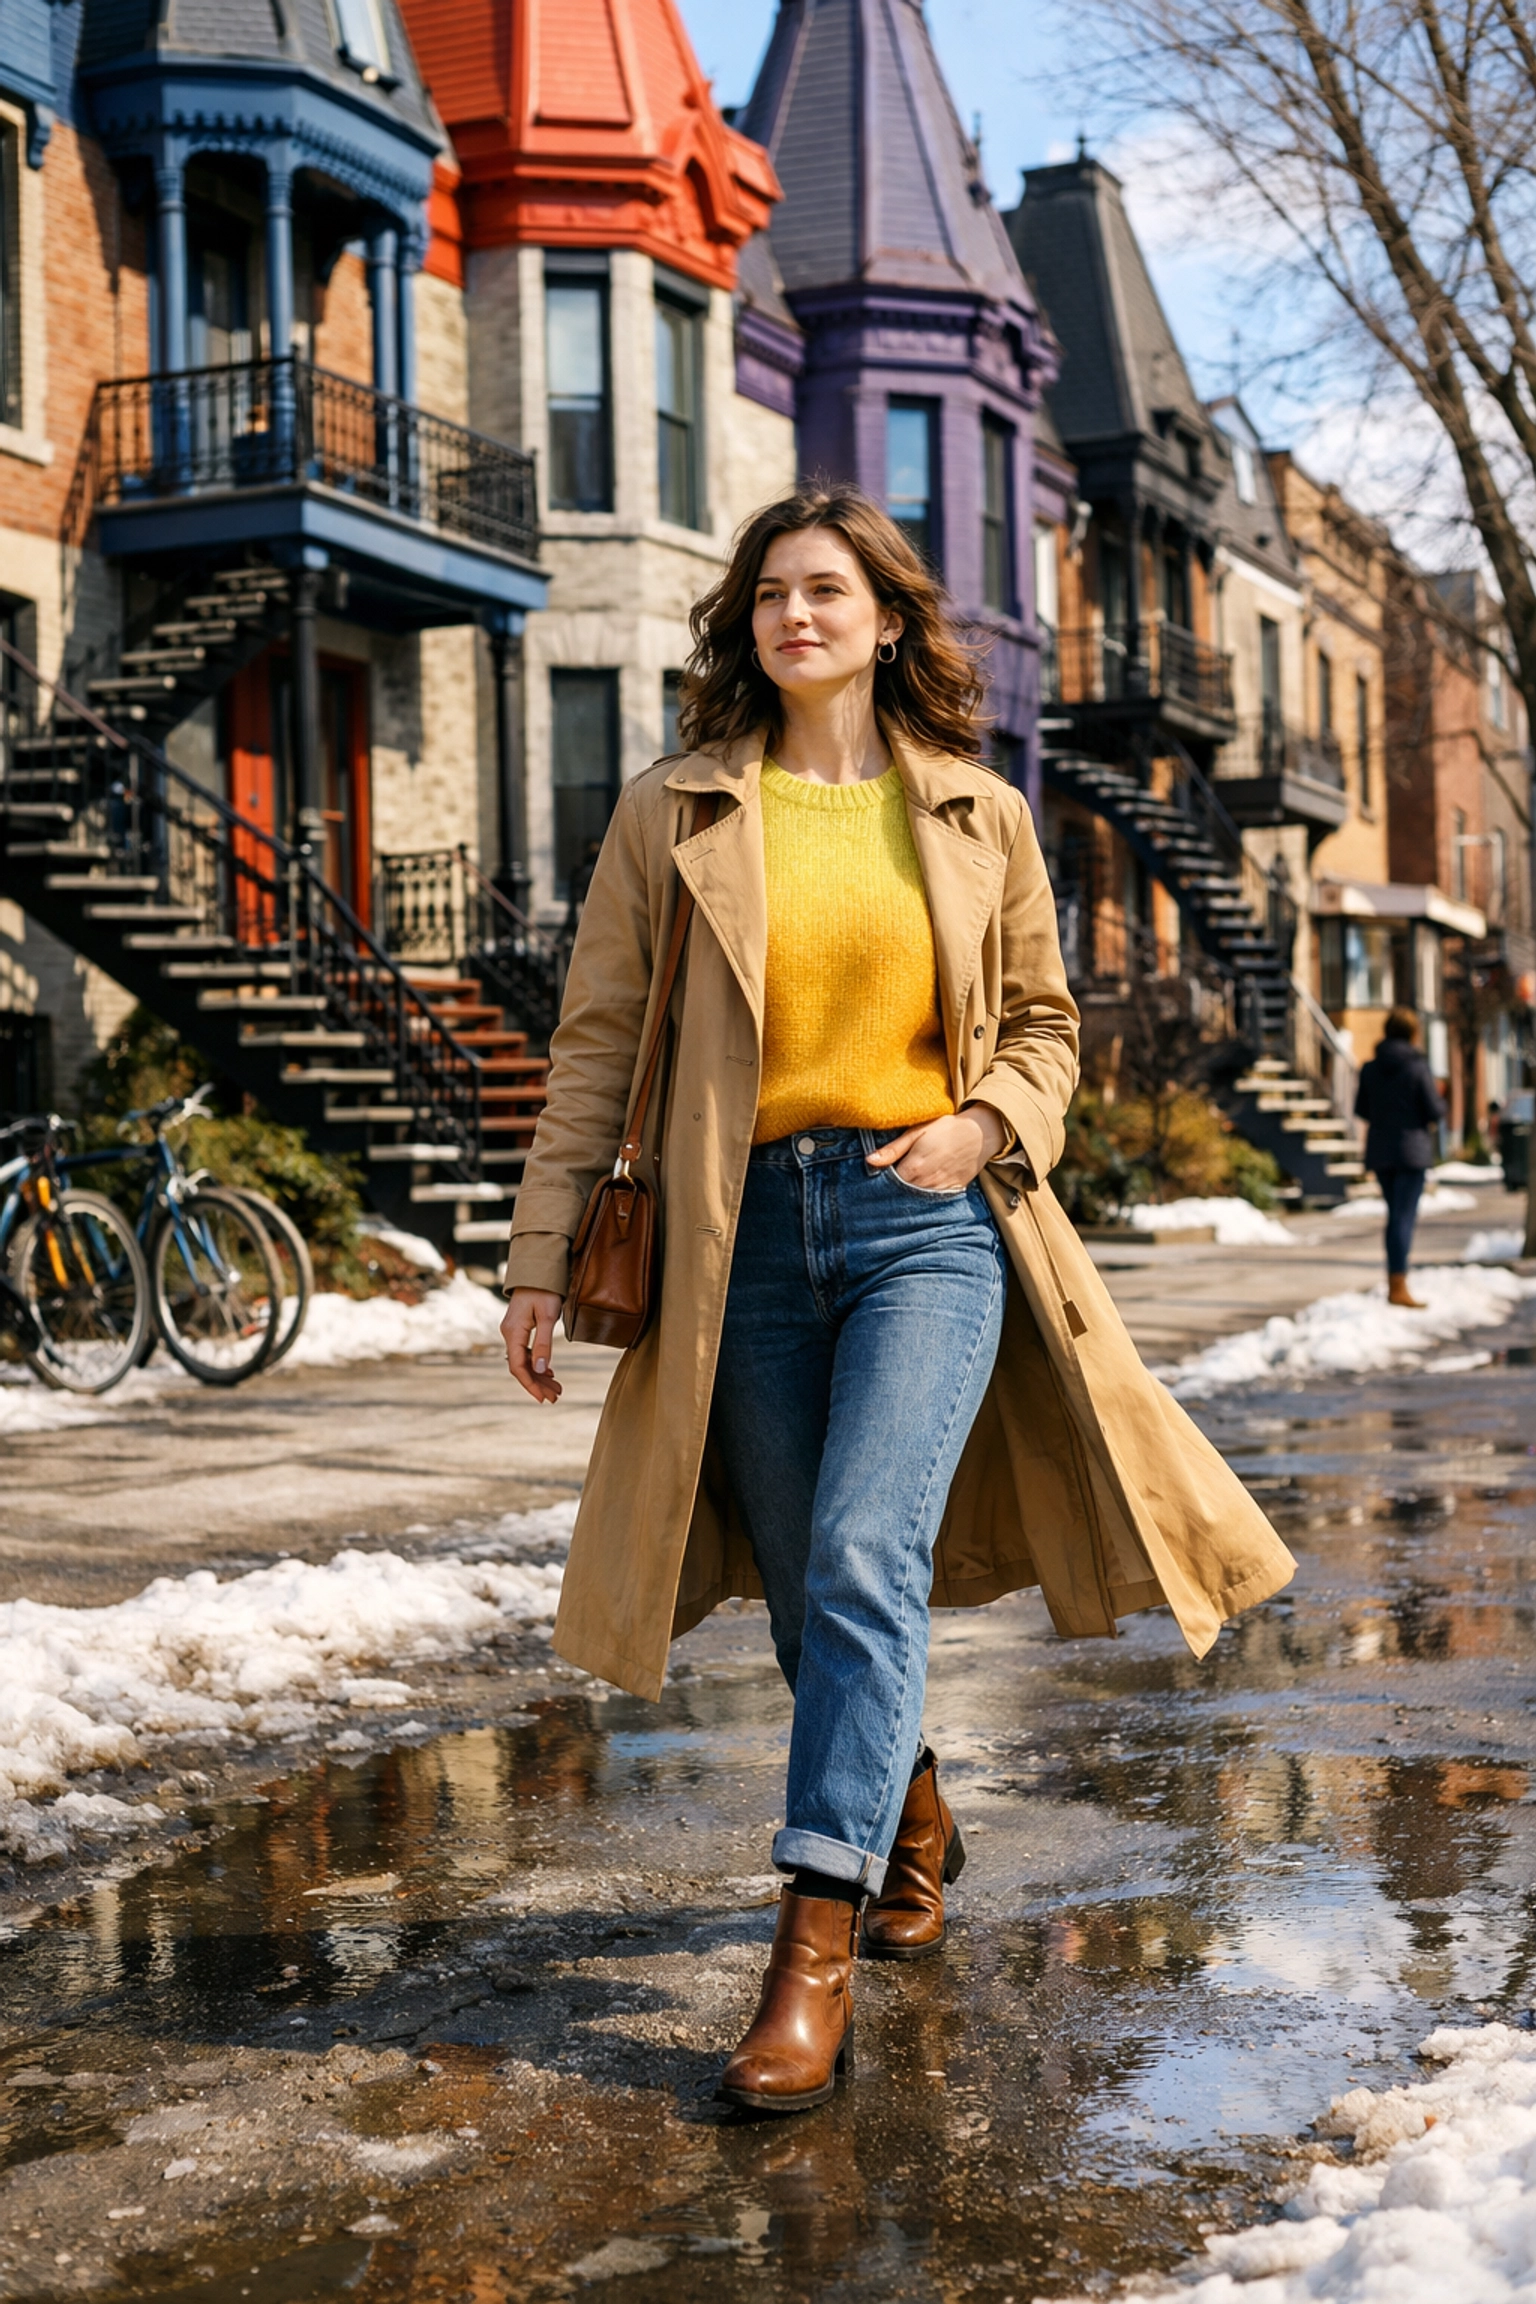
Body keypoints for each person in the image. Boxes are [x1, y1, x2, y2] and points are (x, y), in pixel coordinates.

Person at [500, 484, 1293, 2117]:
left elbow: (1048, 1027)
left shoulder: (974, 813)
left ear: (884, 617)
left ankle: (812, 1946)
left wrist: (993, 1117)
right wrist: (533, 1257)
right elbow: (593, 1047)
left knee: (870, 1551)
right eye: (773, 593)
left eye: (829, 590)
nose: (799, 614)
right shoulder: (676, 809)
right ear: (747, 625)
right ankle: (905, 1804)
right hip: (743, 1243)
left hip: (924, 1217)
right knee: (808, 1595)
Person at [1354, 1006, 1446, 1308]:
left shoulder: (1370, 1067)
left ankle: (1396, 1281)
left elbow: (1362, 1110)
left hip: (1380, 1150)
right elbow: (1434, 1110)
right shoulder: (1417, 1067)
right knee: (1403, 1218)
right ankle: (1398, 1285)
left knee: (1395, 1216)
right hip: (1411, 1151)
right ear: (1412, 1033)